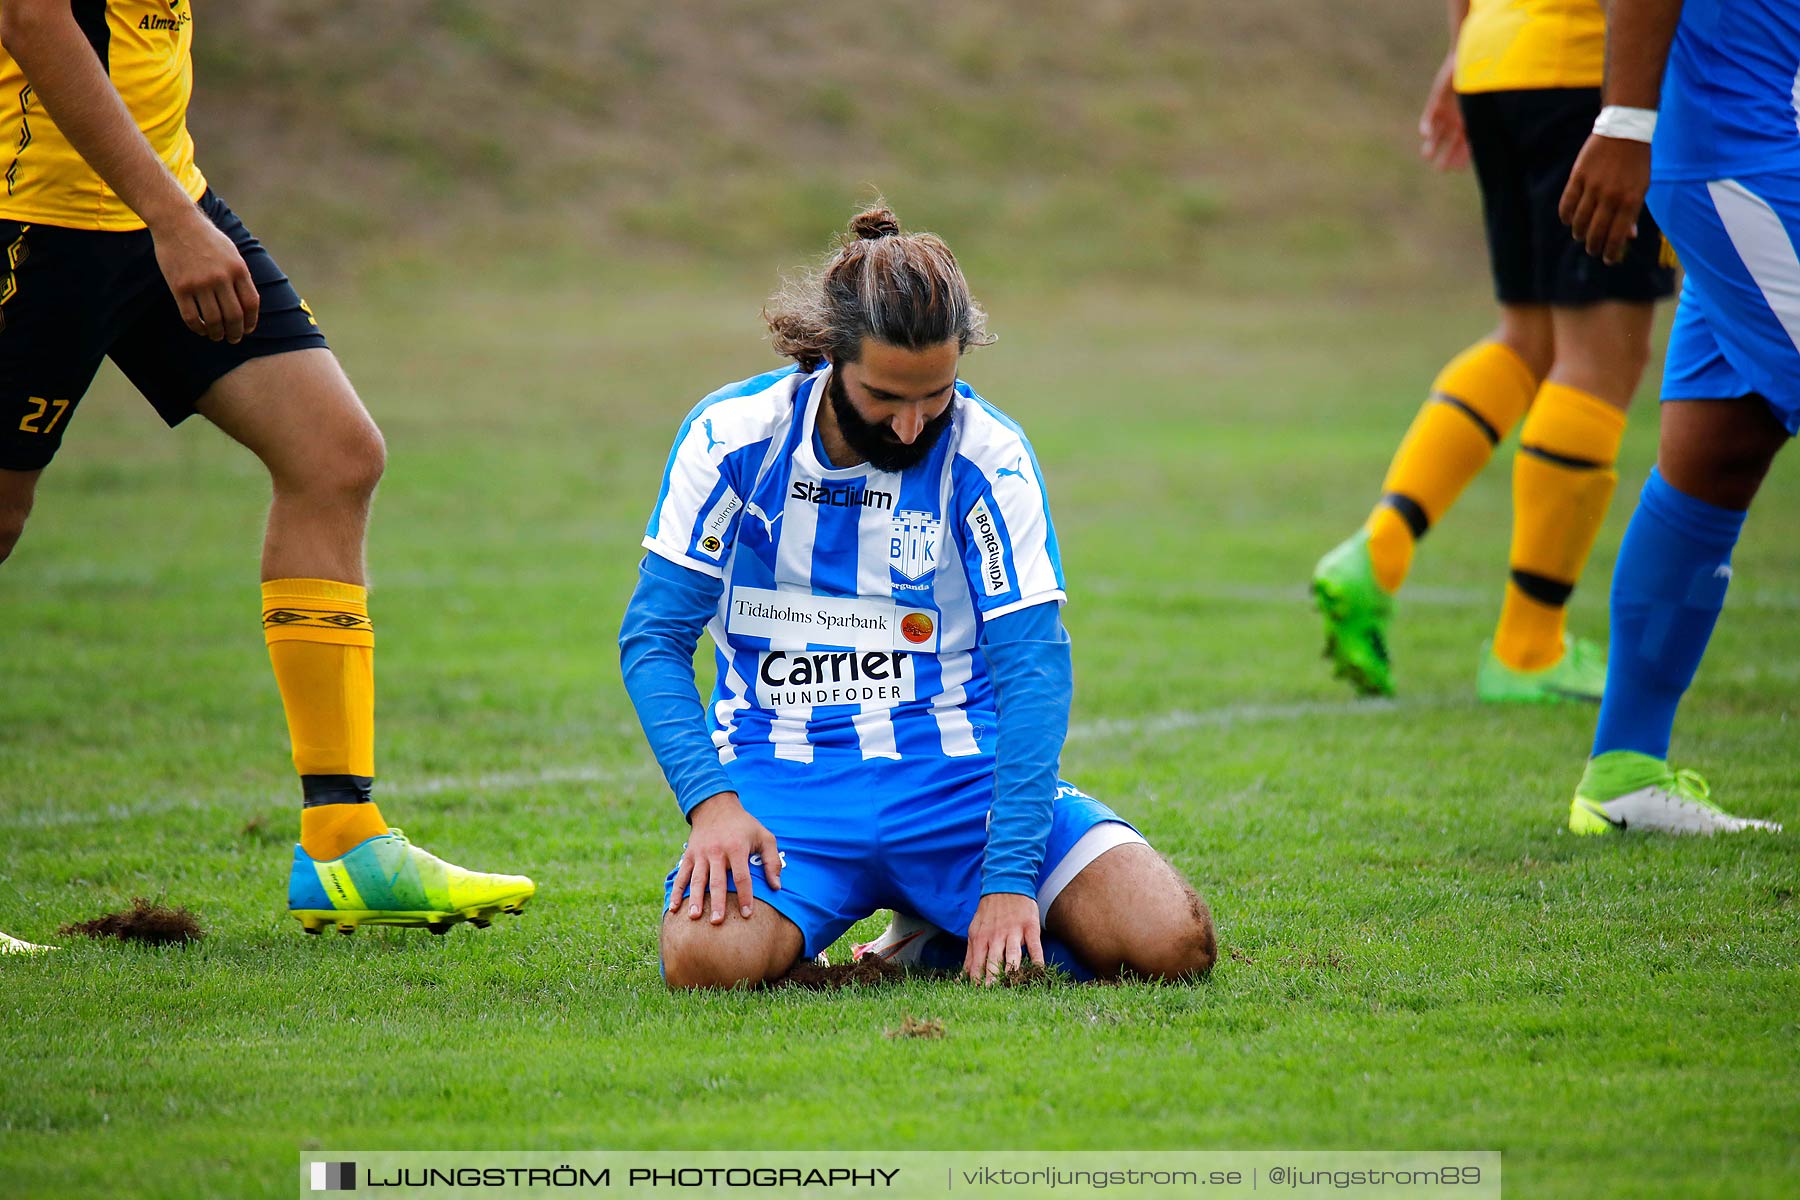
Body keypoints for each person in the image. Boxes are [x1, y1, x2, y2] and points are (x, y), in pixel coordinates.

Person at [0, 1, 535, 927]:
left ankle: (344, 842)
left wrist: (169, 209)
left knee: (334, 454)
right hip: (36, 216)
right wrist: (173, 220)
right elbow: (32, 16)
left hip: (160, 199)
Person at [618, 205, 1216, 987]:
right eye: (884, 398)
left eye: (934, 396)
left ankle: (928, 938)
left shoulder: (988, 456)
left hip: (960, 781)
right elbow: (654, 639)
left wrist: (1008, 879)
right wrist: (713, 805)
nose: (909, 428)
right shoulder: (734, 440)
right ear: (830, 354)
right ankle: (876, 929)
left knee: (1172, 942)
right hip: (782, 778)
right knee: (703, 965)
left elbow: (1033, 668)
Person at [1313, 0, 1675, 703]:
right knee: (1601, 358)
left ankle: (1377, 551)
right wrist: (1630, 116)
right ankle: (1529, 645)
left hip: (1495, 60)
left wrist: (1463, 51)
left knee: (1530, 339)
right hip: (1589, 73)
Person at [1557, 0, 1793, 835]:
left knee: (1717, 453)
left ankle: (1625, 773)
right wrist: (1624, 119)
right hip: (1755, 154)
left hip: (1751, 151)